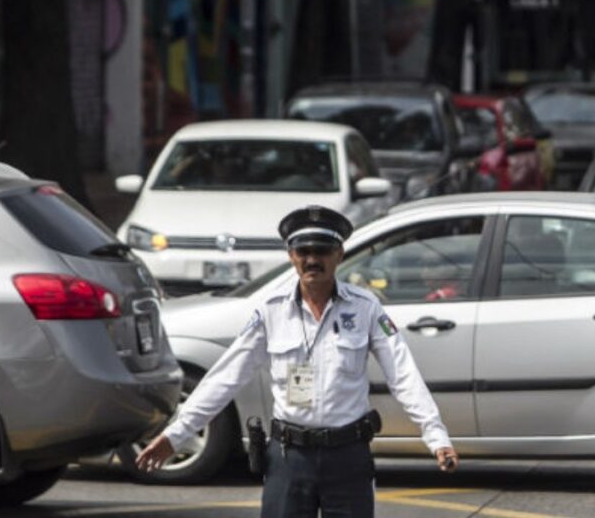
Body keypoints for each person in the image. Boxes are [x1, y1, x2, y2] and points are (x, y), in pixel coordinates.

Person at [135, 205, 458, 517]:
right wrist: (177, 435)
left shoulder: (365, 307)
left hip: (347, 455)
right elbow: (226, 376)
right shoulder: (271, 311)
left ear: (339, 256)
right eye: (303, 252)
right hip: (290, 457)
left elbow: (402, 373)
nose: (312, 260)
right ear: (291, 256)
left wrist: (435, 435)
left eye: (322, 251)